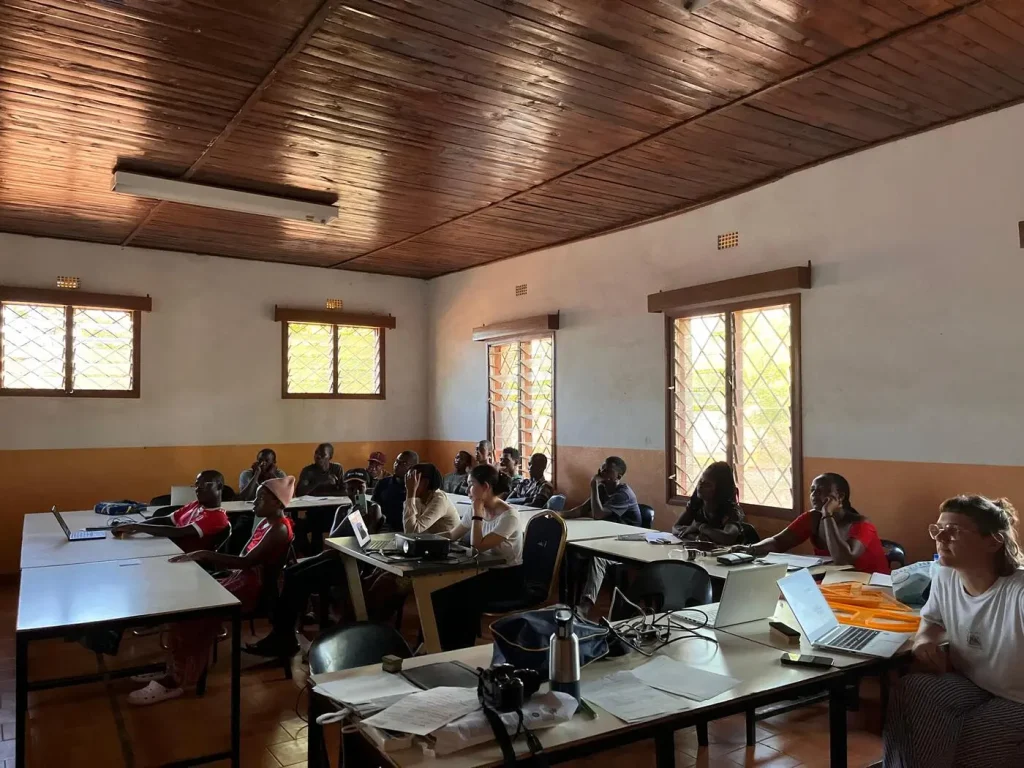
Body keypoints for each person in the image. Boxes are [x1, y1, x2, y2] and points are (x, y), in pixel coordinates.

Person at [127, 477, 295, 705]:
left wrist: (205, 554)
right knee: (182, 605)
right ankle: (173, 668)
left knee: (193, 615)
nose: (254, 502)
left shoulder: (279, 529)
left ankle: (177, 680)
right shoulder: (267, 523)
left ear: (277, 503)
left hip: (253, 589)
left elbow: (246, 562)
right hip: (242, 579)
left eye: (260, 498)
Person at [883, 495, 1024, 767]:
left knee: (962, 745)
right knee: (913, 691)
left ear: (993, 542)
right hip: (975, 683)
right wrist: (925, 639)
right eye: (938, 529)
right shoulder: (945, 574)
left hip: (1019, 699)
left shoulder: (1018, 591)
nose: (941, 537)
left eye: (954, 531)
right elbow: (932, 619)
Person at [246, 469, 383, 658]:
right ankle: (283, 633)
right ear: (345, 489)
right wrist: (350, 516)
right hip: (334, 556)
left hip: (354, 563)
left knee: (300, 579)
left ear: (366, 487)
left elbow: (365, 541)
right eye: (351, 488)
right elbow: (333, 539)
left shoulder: (373, 508)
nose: (355, 492)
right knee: (290, 573)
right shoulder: (343, 510)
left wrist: (359, 518)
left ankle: (283, 637)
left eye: (360, 488)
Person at [433, 464, 524, 650]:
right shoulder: (476, 508)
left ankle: (460, 647)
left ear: (486, 487)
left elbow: (477, 546)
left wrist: (476, 514)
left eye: (471, 484)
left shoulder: (509, 516)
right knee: (439, 590)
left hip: (506, 578)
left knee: (459, 594)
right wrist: (423, 539)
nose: (467, 489)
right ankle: (439, 645)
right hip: (482, 572)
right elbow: (452, 535)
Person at [733, 473, 890, 573]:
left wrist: (827, 514)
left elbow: (843, 560)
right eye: (812, 490)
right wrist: (751, 548)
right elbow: (778, 542)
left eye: (820, 491)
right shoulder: (812, 518)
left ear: (840, 497)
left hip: (870, 585)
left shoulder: (862, 524)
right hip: (835, 581)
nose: (814, 495)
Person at [562, 457, 641, 616]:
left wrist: (593, 485)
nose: (602, 473)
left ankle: (585, 605)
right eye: (602, 469)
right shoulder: (603, 489)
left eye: (607, 470)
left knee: (598, 557)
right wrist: (557, 514)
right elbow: (581, 510)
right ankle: (566, 601)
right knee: (568, 550)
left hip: (627, 545)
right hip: (607, 539)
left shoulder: (624, 494)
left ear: (618, 476)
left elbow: (597, 515)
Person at [112, 470, 229, 553]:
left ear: (219, 486)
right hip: (167, 547)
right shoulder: (196, 505)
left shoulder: (217, 517)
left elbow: (178, 532)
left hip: (185, 559)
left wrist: (136, 526)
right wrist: (135, 527)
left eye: (203, 485)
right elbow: (167, 520)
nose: (198, 488)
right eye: (197, 484)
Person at [672, 461, 744, 546]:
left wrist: (700, 527)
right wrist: (696, 538)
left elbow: (728, 537)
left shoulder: (732, 511)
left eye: (707, 484)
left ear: (720, 490)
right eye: (700, 481)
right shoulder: (697, 505)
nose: (700, 486)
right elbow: (675, 528)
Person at [403, 463, 461, 535]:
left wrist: (410, 494)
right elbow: (409, 530)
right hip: (428, 539)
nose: (407, 484)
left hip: (448, 541)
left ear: (425, 483)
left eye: (412, 480)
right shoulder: (418, 498)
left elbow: (412, 532)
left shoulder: (440, 500)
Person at [372, 450, 418, 531]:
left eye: (404, 463)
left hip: (408, 530)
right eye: (396, 461)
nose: (397, 465)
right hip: (384, 529)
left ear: (413, 467)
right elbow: (374, 507)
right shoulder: (383, 483)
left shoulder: (418, 487)